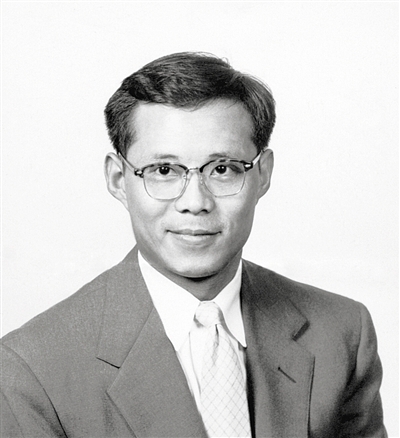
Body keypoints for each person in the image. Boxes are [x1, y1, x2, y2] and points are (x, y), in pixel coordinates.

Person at [1, 52, 387, 438]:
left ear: (263, 174)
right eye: (163, 170)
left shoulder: (340, 333)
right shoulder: (32, 370)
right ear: (118, 180)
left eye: (222, 169)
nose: (195, 202)